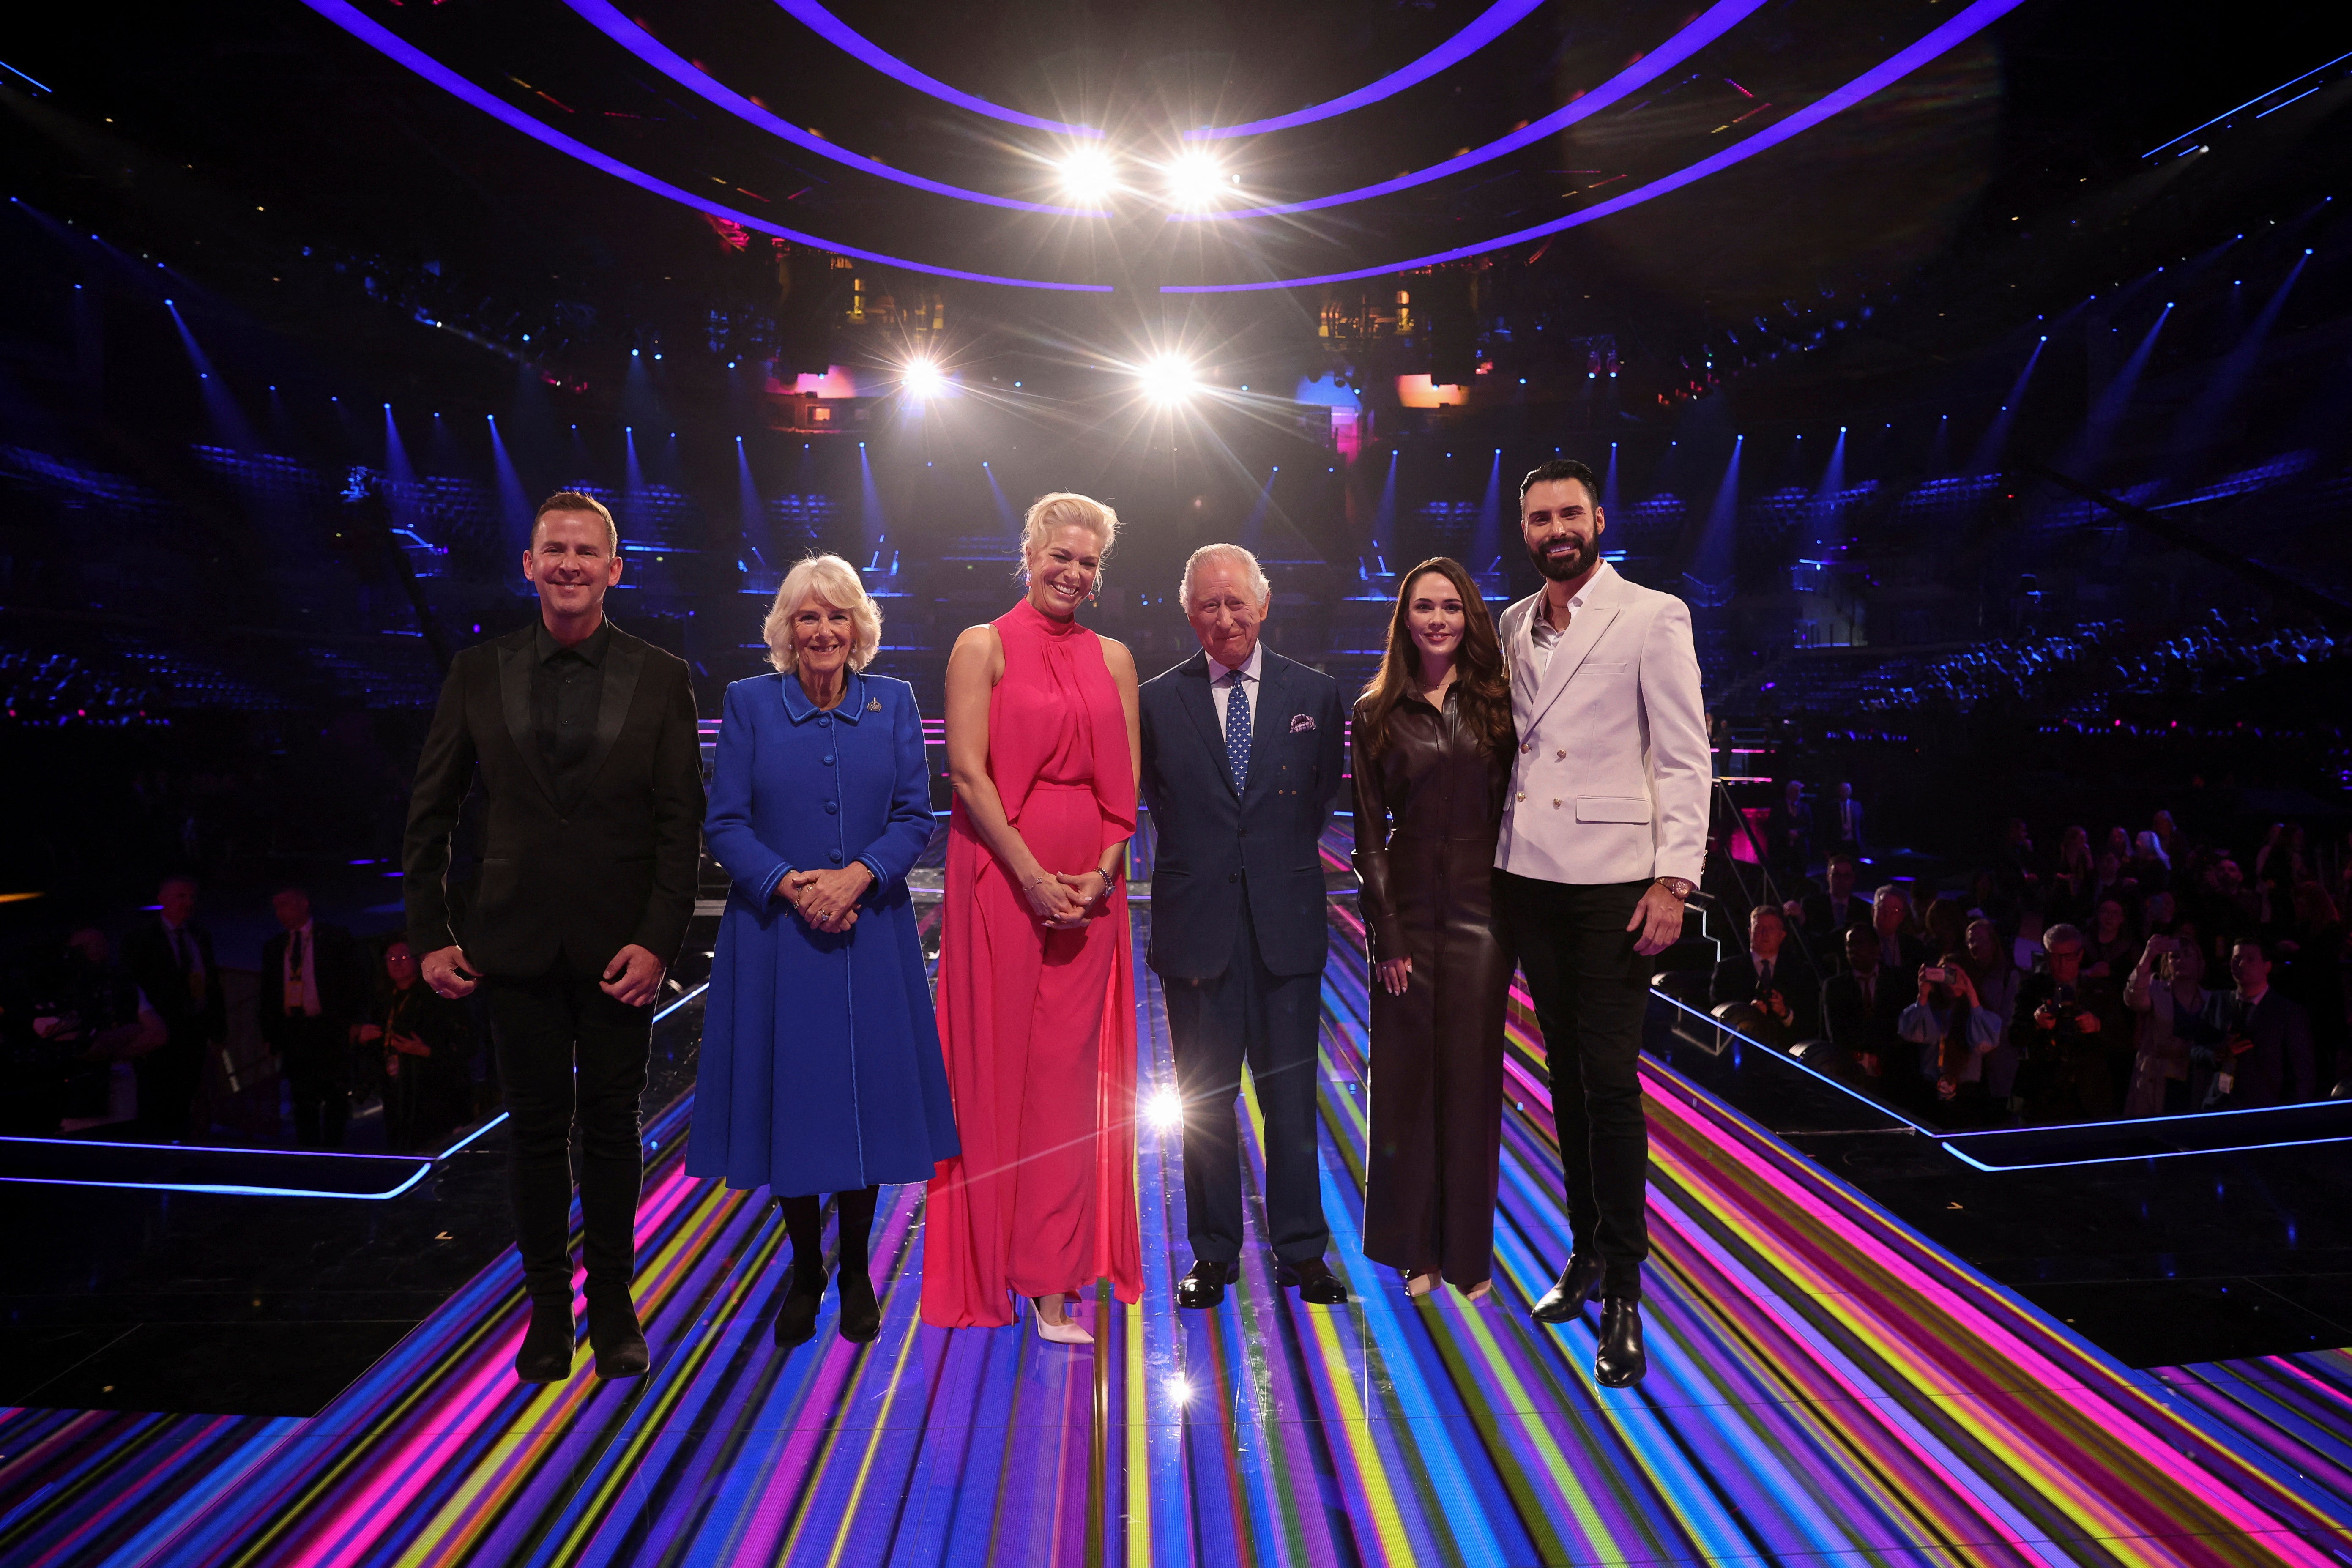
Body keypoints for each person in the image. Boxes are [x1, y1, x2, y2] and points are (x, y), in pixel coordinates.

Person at [404, 490, 704, 1383]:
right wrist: (429, 934)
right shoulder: (477, 671)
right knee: (535, 1135)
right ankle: (545, 1314)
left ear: (615, 569)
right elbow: (431, 814)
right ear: (528, 565)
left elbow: (678, 822)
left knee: (612, 1132)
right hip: (516, 948)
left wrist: (658, 939)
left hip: (621, 952)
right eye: (554, 549)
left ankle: (613, 1307)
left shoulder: (661, 676)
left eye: (587, 551)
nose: (569, 563)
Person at [694, 555, 959, 1347]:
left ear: (859, 627)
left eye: (836, 616)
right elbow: (725, 824)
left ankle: (853, 1269)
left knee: (866, 1104)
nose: (822, 631)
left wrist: (856, 876)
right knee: (796, 1103)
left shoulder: (895, 702)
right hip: (777, 935)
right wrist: (791, 885)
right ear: (785, 629)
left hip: (870, 929)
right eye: (807, 617)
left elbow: (915, 815)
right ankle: (805, 1267)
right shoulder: (748, 703)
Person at [1493, 458, 1709, 1388]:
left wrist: (1676, 880)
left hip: (1616, 884)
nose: (1555, 529)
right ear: (1526, 527)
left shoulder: (1651, 613)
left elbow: (1685, 753)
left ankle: (1624, 1290)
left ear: (1598, 517)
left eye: (1569, 512)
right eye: (1540, 517)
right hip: (1527, 879)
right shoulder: (1509, 621)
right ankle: (1583, 1254)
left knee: (1611, 1084)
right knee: (1566, 1080)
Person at [925, 495, 1143, 1342]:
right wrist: (1029, 876)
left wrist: (1098, 874)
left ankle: (1054, 1283)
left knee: (1066, 1090)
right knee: (997, 1080)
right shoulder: (982, 645)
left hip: (1090, 894)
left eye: (1088, 562)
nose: (1073, 573)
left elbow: (1122, 793)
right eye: (1061, 555)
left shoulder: (1115, 657)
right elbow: (969, 777)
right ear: (1028, 553)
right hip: (1002, 887)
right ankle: (993, 1269)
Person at [1139, 541, 1350, 1313]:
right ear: (1187, 611)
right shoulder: (1156, 698)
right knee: (1202, 1103)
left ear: (1263, 603)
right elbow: (1155, 798)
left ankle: (1302, 1250)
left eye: (1235, 602)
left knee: (1292, 1102)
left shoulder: (1317, 693)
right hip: (1197, 933)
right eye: (1206, 604)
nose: (1222, 616)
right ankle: (1212, 1252)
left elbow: (1318, 794)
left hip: (1286, 928)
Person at [1350, 557, 1515, 1300]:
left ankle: (1468, 1256)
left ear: (1468, 614)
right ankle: (1412, 1248)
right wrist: (1385, 927)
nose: (1439, 618)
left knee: (1472, 1083)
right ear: (1404, 619)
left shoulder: (1497, 704)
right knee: (1406, 1086)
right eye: (1424, 606)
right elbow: (1365, 832)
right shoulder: (1375, 710)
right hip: (1407, 912)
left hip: (1483, 913)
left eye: (1451, 604)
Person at [258, 887, 369, 1149]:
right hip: (294, 1029)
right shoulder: (275, 947)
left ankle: (334, 1148)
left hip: (328, 1026)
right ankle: (308, 1150)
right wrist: (270, 1035)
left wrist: (354, 1020)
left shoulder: (333, 937)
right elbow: (269, 993)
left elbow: (356, 981)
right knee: (301, 1096)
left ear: (303, 903)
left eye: (285, 905)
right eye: (277, 907)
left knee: (335, 1093)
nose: (280, 913)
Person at [119, 876, 226, 1140]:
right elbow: (131, 985)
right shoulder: (142, 938)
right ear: (163, 900)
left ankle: (180, 1143)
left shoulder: (198, 934)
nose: (188, 903)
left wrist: (217, 1028)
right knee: (160, 1092)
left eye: (191, 897)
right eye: (181, 897)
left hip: (195, 1028)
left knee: (187, 1091)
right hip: (162, 1029)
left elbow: (211, 982)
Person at [365, 939, 476, 1153]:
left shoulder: (437, 996)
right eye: (392, 958)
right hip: (397, 1091)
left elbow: (466, 1045)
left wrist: (426, 1051)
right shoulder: (383, 999)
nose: (397, 963)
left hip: (433, 1092)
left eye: (404, 958)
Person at [2196, 937, 2314, 1109]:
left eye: (2250, 959)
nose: (2242, 964)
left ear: (2267, 966)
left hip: (2265, 1110)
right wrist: (2218, 1054)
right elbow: (2196, 1048)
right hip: (2220, 1105)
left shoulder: (2287, 1013)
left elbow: (2303, 1074)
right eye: (2237, 959)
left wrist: (2289, 1115)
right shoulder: (2218, 1002)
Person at [2012, 923, 2112, 1121]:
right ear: (2046, 956)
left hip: (2090, 1097)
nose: (2061, 964)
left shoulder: (2100, 990)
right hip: (2043, 1096)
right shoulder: (2032, 988)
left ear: (2080, 955)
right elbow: (2014, 1036)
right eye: (2055, 957)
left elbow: (2124, 1039)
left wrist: (2097, 1026)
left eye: (2069, 957)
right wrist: (2036, 1023)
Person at [2122, 928, 2212, 1118]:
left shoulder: (2210, 1000)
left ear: (2199, 963)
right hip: (2155, 1080)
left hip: (2193, 1081)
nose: (2181, 960)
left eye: (2188, 955)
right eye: (2174, 956)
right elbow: (2134, 998)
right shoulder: (2155, 990)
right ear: (2166, 963)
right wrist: (2148, 955)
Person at [1898, 955, 2002, 1117]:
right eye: (1943, 974)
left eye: (1953, 975)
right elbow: (1911, 1034)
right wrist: (1923, 995)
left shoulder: (1978, 1014)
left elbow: (1985, 1043)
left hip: (1968, 1094)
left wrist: (1970, 992)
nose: (1948, 981)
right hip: (1930, 1090)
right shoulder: (1930, 1010)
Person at [1709, 904, 1817, 1048]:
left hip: (1786, 1052)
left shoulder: (1799, 971)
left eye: (1772, 929)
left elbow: (1810, 1022)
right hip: (1737, 1047)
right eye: (1760, 928)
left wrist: (1785, 1013)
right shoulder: (1727, 969)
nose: (1765, 933)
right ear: (1750, 932)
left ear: (1782, 935)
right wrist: (1748, 1014)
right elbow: (1717, 1009)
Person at [1820, 925, 1906, 1082]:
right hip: (1851, 1071)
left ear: (1876, 948)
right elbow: (1836, 1032)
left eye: (1859, 944)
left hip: (1892, 1071)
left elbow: (1901, 1028)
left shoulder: (1897, 981)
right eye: (1849, 945)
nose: (1853, 949)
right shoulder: (1835, 987)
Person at [1799, 854, 1871, 942]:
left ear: (1853, 878)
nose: (1842, 880)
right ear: (1828, 877)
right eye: (1837, 875)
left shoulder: (1864, 909)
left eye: (1847, 875)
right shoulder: (1811, 905)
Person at [1764, 779, 1811, 890]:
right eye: (1795, 791)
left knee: (1800, 879)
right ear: (1789, 792)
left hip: (1800, 850)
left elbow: (1810, 826)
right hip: (1782, 849)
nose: (1798, 794)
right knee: (1781, 879)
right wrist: (1787, 833)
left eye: (1799, 791)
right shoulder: (1778, 806)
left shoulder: (1805, 807)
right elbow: (1773, 825)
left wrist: (1798, 833)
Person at [1820, 780, 1865, 862]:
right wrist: (1826, 847)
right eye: (1843, 790)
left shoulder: (1857, 805)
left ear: (1850, 791)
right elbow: (1826, 827)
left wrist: (1862, 843)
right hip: (1838, 844)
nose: (1845, 792)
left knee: (1853, 869)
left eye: (1847, 790)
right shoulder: (1831, 807)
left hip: (1853, 844)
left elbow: (1862, 825)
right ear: (1839, 791)